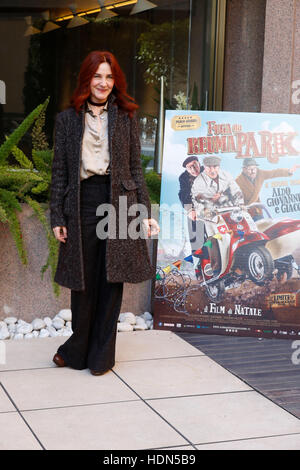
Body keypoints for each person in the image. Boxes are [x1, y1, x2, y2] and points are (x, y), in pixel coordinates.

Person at [50, 51, 159, 376]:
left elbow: (136, 169)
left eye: (109, 77)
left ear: (115, 82)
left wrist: (144, 212)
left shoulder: (126, 117)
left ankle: (101, 357)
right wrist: (57, 216)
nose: (103, 83)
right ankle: (76, 349)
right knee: (82, 283)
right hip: (82, 200)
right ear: (87, 79)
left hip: (119, 201)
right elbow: (59, 172)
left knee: (111, 281)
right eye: (97, 76)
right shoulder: (67, 119)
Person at [191, 155, 244, 274]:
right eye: (209, 167)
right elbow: (198, 203)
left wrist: (240, 204)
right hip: (209, 214)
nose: (212, 170)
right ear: (204, 168)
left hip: (229, 210)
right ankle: (216, 268)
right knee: (215, 238)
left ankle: (240, 262)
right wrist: (209, 212)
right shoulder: (198, 182)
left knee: (239, 231)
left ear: (219, 167)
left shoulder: (226, 175)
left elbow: (236, 190)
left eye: (215, 167)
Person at [236, 158, 300, 220]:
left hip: (257, 211)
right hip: (244, 213)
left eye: (254, 168)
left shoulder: (260, 173)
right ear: (244, 169)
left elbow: (274, 173)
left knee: (263, 227)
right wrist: (240, 205)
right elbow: (234, 196)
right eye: (249, 169)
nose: (253, 171)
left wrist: (288, 171)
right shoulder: (238, 181)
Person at [178, 156, 204, 252]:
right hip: (195, 209)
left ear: (199, 164)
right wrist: (190, 210)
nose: (193, 169)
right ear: (187, 170)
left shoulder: (209, 171)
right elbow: (183, 194)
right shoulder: (183, 178)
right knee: (196, 239)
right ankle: (199, 256)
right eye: (189, 168)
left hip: (212, 208)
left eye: (194, 165)